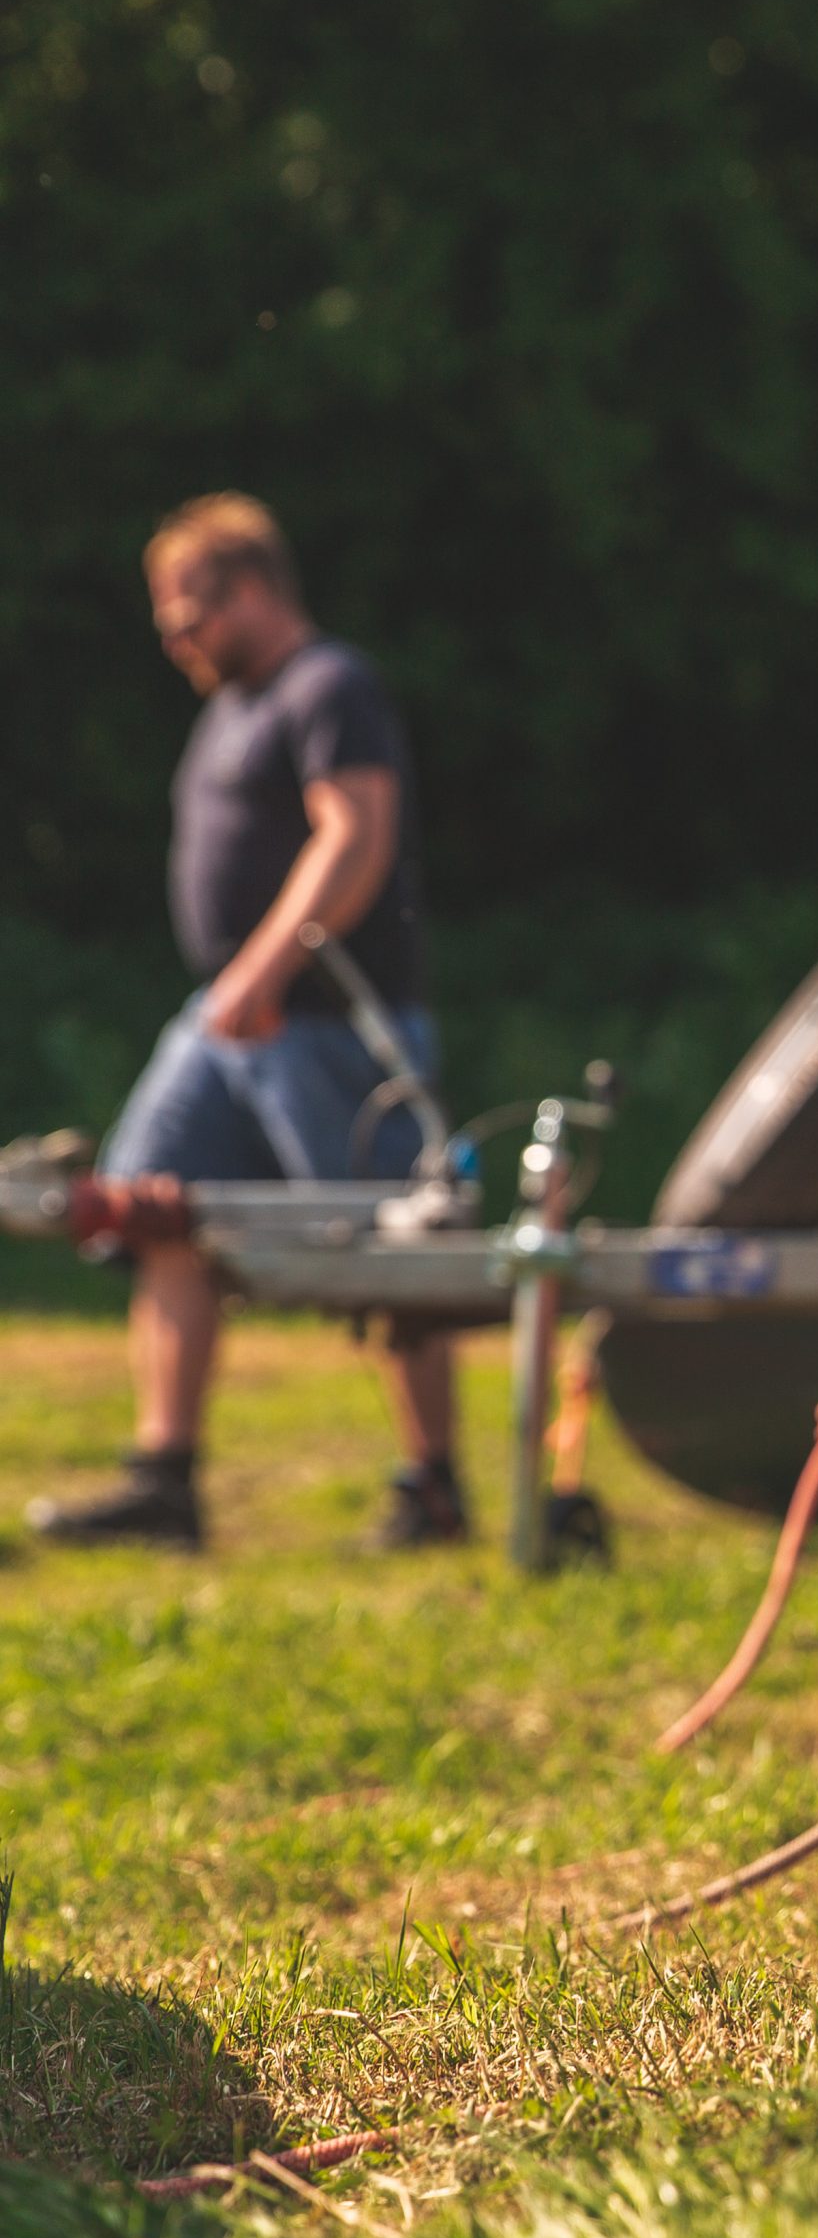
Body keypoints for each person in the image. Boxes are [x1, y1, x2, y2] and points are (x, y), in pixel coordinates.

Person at [28, 494, 467, 1551]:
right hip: (224, 1020)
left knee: (396, 1251)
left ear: (257, 590)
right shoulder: (235, 707)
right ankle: (164, 1480)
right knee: (152, 1213)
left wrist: (264, 973)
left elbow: (354, 836)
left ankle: (433, 1490)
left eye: (192, 617)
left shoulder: (330, 687)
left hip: (319, 1019)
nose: (177, 642)